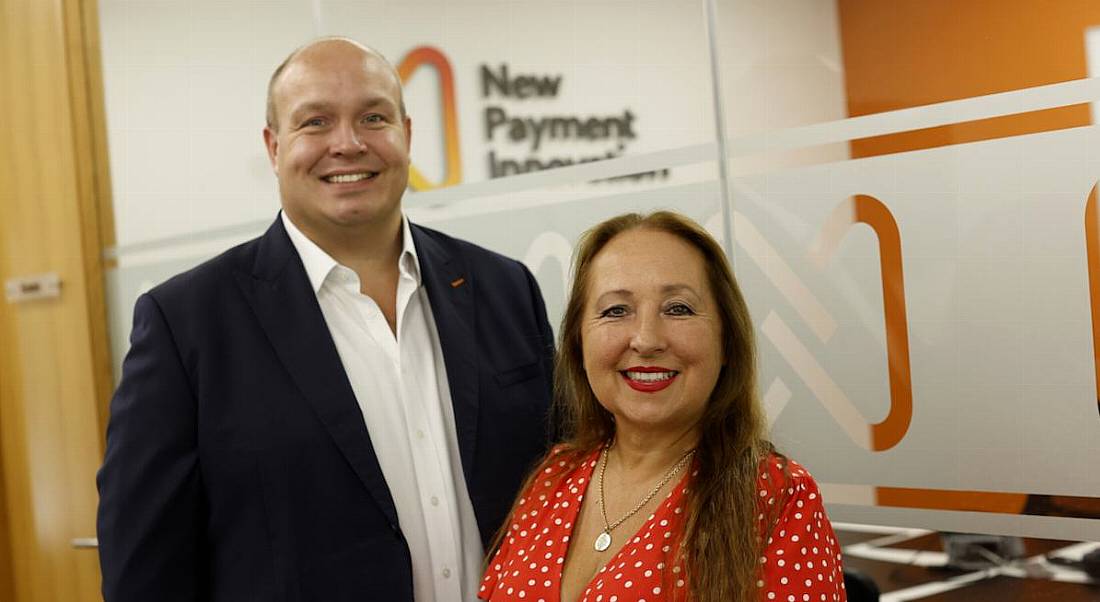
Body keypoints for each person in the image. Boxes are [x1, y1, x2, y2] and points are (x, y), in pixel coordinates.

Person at [96, 38, 555, 601]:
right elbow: (144, 572)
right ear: (273, 147)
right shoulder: (186, 325)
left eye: (373, 117)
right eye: (315, 121)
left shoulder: (506, 290)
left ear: (407, 135)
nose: (348, 143)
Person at [479, 212, 846, 602]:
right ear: (578, 344)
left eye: (678, 309)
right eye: (616, 310)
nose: (646, 339)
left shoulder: (778, 498)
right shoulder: (553, 477)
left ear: (726, 341)